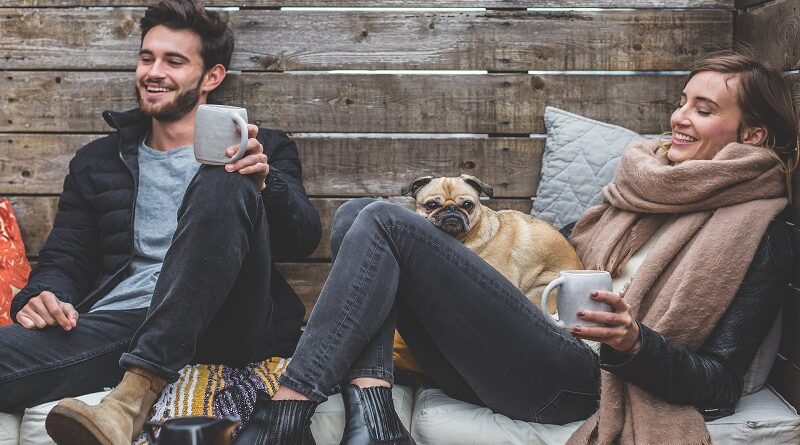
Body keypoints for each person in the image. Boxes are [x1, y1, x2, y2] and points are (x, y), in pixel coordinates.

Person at [232, 53, 797, 445]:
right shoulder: (646, 185)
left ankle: (288, 408)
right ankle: (374, 411)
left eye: (703, 109)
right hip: (531, 348)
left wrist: (633, 343)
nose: (678, 117)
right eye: (682, 100)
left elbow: (720, 385)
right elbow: (564, 262)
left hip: (582, 382)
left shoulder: (758, 229)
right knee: (360, 215)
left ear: (752, 136)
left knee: (381, 219)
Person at [0, 0, 321, 443]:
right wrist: (41, 295)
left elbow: (302, 239)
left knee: (226, 176)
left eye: (174, 61)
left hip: (228, 318)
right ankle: (142, 371)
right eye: (147, 57)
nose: (154, 72)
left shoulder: (262, 146)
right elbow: (67, 256)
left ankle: (134, 394)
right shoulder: (98, 162)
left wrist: (267, 183)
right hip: (126, 322)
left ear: (212, 77)